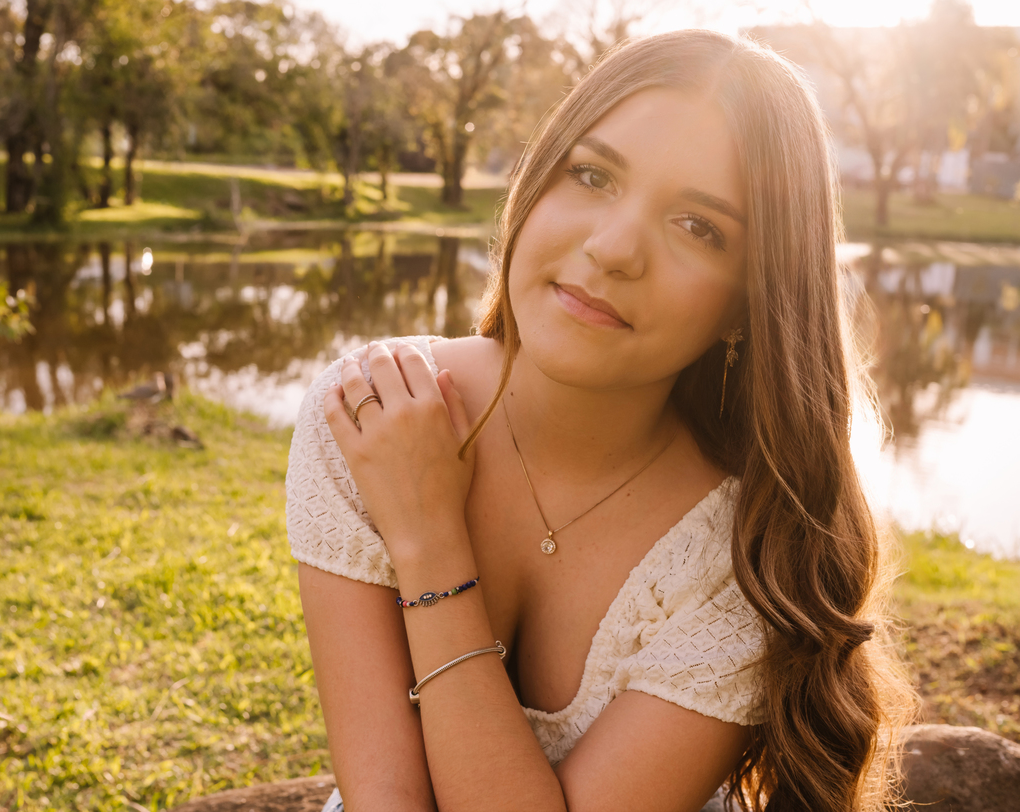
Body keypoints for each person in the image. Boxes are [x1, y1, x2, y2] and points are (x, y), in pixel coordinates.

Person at [286, 29, 915, 812]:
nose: (614, 248)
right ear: (536, 179)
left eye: (699, 227)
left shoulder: (745, 553)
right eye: (592, 174)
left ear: (747, 304)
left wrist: (427, 540)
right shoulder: (371, 412)